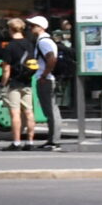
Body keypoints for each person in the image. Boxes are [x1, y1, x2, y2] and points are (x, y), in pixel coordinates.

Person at [0, 16, 38, 152]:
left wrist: (3, 84)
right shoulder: (29, 44)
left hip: (14, 84)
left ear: (10, 29)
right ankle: (30, 142)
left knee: (15, 114)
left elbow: (6, 69)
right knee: (29, 113)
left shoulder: (10, 46)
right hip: (27, 82)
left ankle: (16, 143)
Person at [28, 14, 64, 151]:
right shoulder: (44, 40)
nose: (31, 28)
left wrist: (44, 75)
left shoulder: (44, 42)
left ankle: (54, 141)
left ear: (41, 27)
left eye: (33, 26)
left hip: (46, 80)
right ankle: (52, 140)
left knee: (51, 111)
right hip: (47, 78)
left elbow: (51, 59)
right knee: (51, 110)